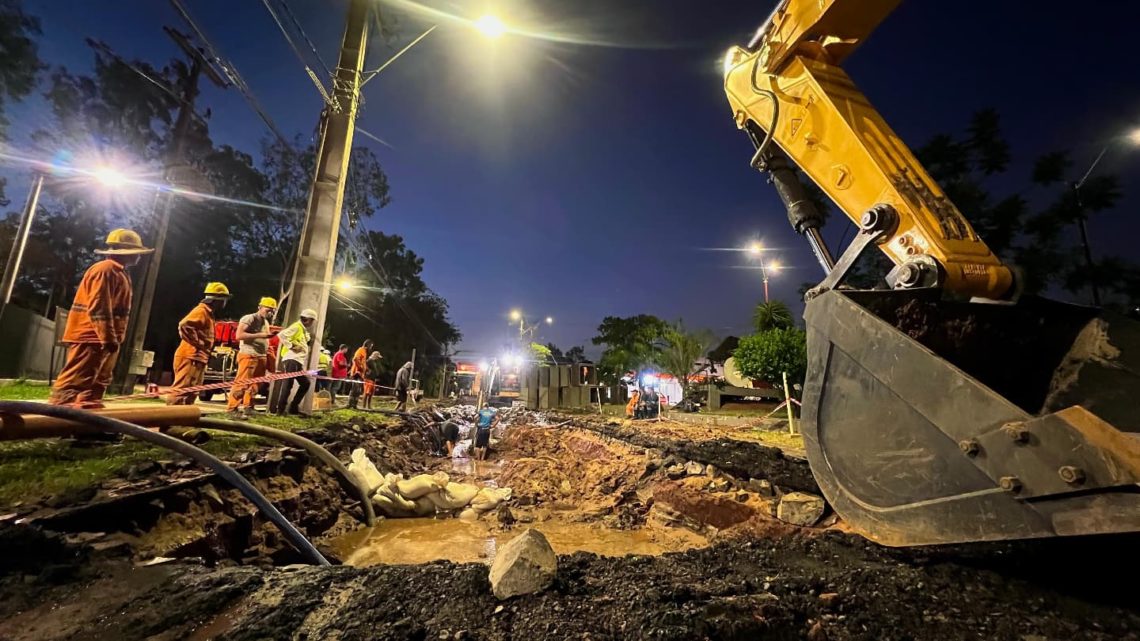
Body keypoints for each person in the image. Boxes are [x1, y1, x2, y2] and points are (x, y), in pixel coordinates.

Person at [49, 229, 153, 409]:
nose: (139, 256)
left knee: (98, 382)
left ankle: (87, 423)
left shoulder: (118, 272)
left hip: (103, 339)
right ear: (127, 252)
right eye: (137, 252)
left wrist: (112, 339)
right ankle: (55, 419)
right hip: (91, 336)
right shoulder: (105, 270)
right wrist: (108, 338)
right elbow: (99, 307)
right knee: (76, 380)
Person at [167, 282, 230, 405]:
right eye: (224, 299)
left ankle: (183, 419)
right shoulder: (201, 311)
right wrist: (199, 344)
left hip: (198, 357)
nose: (225, 303)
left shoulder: (208, 313)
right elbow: (184, 325)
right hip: (191, 356)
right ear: (216, 299)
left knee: (193, 391)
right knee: (181, 390)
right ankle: (170, 420)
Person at [226, 297, 277, 416]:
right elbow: (239, 335)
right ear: (259, 307)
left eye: (272, 311)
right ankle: (232, 409)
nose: (270, 313)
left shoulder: (265, 322)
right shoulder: (250, 318)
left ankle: (249, 407)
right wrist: (263, 335)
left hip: (260, 356)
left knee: (255, 384)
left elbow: (266, 341)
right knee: (242, 383)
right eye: (268, 309)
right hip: (249, 355)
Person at [269, 308, 318, 416]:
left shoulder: (302, 329)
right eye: (312, 320)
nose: (312, 323)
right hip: (292, 359)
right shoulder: (297, 326)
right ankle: (281, 410)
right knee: (288, 384)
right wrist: (292, 346)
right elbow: (282, 335)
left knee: (305, 383)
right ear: (308, 319)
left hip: (297, 361)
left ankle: (292, 407)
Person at [347, 339, 373, 409]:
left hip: (360, 374)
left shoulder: (364, 352)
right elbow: (355, 359)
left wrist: (366, 369)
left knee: (358, 390)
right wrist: (360, 368)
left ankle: (354, 405)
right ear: (368, 345)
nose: (371, 348)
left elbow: (363, 362)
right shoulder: (361, 350)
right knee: (355, 389)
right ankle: (350, 404)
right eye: (371, 346)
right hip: (357, 373)